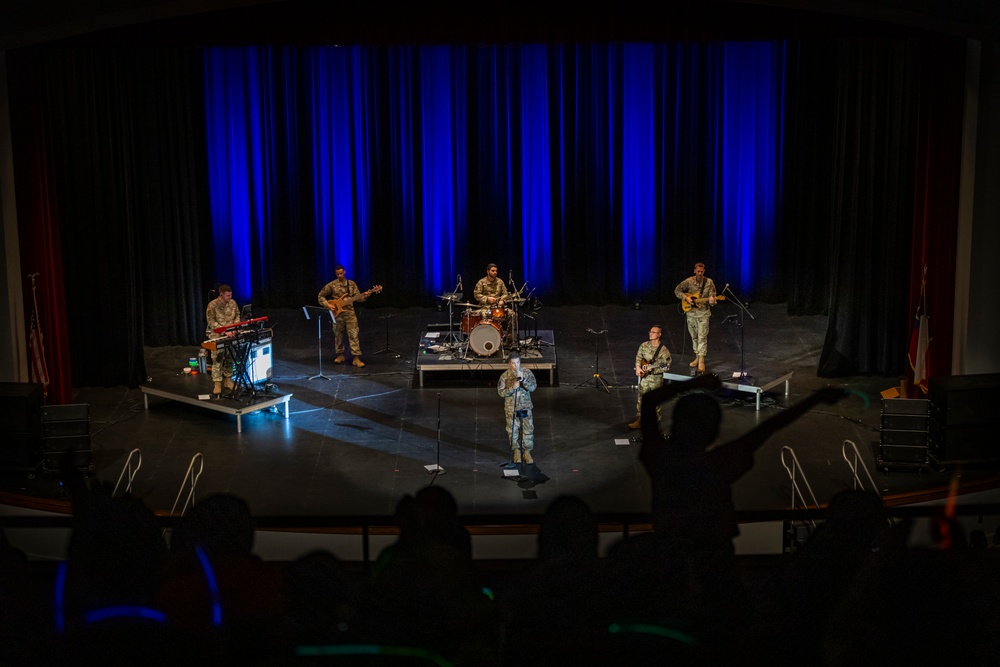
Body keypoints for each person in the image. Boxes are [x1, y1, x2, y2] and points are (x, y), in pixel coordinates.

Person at [318, 265, 368, 368]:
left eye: (341, 273)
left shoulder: (351, 284)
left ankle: (356, 358)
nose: (339, 275)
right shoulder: (332, 285)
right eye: (337, 274)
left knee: (353, 335)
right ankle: (340, 355)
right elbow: (321, 296)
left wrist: (365, 296)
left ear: (344, 272)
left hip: (350, 314)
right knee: (338, 335)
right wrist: (328, 305)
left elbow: (358, 298)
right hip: (337, 314)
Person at [674, 262, 718, 373]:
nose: (699, 273)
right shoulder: (689, 281)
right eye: (698, 271)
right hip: (691, 313)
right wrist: (686, 298)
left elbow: (713, 298)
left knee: (702, 336)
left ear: (704, 271)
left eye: (701, 272)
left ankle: (702, 360)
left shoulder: (709, 282)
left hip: (703, 313)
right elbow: (677, 290)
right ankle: (697, 357)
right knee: (694, 336)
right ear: (694, 271)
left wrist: (713, 301)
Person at [628, 324, 672, 429]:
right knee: (641, 399)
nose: (651, 334)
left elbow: (667, 366)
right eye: (650, 332)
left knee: (655, 400)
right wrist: (638, 367)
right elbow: (638, 357)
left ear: (659, 335)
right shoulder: (644, 345)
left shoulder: (663, 350)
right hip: (645, 377)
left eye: (653, 332)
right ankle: (640, 419)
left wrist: (654, 369)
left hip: (656, 379)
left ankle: (655, 422)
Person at [498, 352, 537, 464]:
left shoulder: (527, 373)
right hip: (511, 409)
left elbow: (533, 387)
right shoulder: (504, 376)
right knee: (513, 430)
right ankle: (516, 451)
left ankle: (527, 451)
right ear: (510, 364)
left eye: (518, 363)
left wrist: (523, 380)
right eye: (513, 363)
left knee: (527, 429)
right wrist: (512, 388)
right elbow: (501, 392)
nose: (516, 365)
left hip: (524, 407)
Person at [205, 284, 241, 396]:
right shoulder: (212, 305)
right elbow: (211, 322)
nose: (230, 297)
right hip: (218, 335)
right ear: (221, 294)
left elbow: (237, 315)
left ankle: (228, 380)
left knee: (230, 357)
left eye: (231, 295)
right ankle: (217, 383)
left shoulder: (233, 303)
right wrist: (224, 331)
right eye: (227, 295)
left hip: (231, 334)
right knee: (218, 359)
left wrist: (235, 327)